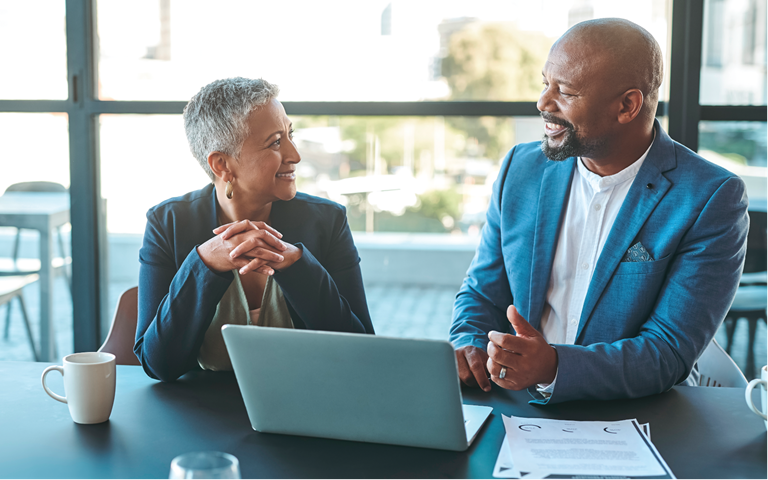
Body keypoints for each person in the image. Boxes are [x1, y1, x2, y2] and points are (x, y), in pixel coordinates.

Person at [450, 18, 749, 404]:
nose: (543, 103)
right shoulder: (520, 169)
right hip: (514, 404)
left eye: (566, 92)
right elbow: (481, 292)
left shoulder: (710, 198)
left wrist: (555, 367)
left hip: (635, 421)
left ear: (627, 105)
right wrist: (469, 343)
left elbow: (668, 352)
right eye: (545, 83)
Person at [135, 77, 374, 382]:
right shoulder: (167, 224)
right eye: (275, 142)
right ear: (222, 165)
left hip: (310, 403)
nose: (295, 155)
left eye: (290, 135)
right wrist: (203, 265)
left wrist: (298, 265)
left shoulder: (327, 221)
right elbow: (158, 365)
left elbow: (362, 350)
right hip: (202, 415)